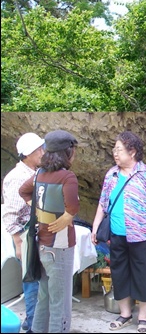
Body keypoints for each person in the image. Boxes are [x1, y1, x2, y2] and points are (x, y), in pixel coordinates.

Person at [91, 131, 146, 334]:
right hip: (117, 235)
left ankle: (143, 317)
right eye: (114, 149)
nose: (115, 153)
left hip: (142, 235)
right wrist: (95, 227)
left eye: (119, 150)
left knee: (144, 274)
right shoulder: (111, 174)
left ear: (132, 152)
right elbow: (103, 203)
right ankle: (125, 314)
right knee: (120, 273)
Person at [19, 130, 80, 333]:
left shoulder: (39, 174)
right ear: (67, 152)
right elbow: (72, 207)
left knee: (44, 298)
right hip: (59, 247)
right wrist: (67, 216)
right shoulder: (67, 177)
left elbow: (23, 190)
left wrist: (37, 208)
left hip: (42, 245)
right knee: (60, 303)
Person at [2, 133, 45, 332]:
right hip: (24, 238)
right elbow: (9, 214)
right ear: (28, 154)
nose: (43, 153)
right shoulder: (17, 177)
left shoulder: (34, 172)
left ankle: (32, 321)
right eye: (39, 150)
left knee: (37, 282)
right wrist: (19, 243)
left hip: (34, 236)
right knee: (32, 284)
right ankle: (32, 328)